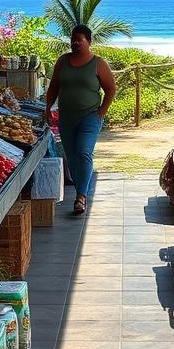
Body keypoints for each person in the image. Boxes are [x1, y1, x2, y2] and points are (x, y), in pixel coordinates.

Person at [44, 25, 116, 216]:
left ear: (89, 42)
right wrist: (47, 107)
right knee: (72, 157)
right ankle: (80, 188)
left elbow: (110, 89)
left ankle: (81, 197)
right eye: (73, 39)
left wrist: (102, 111)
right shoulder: (63, 61)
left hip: (90, 117)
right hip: (66, 118)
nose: (75, 43)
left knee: (84, 153)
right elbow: (53, 87)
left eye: (79, 39)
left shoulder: (98, 63)